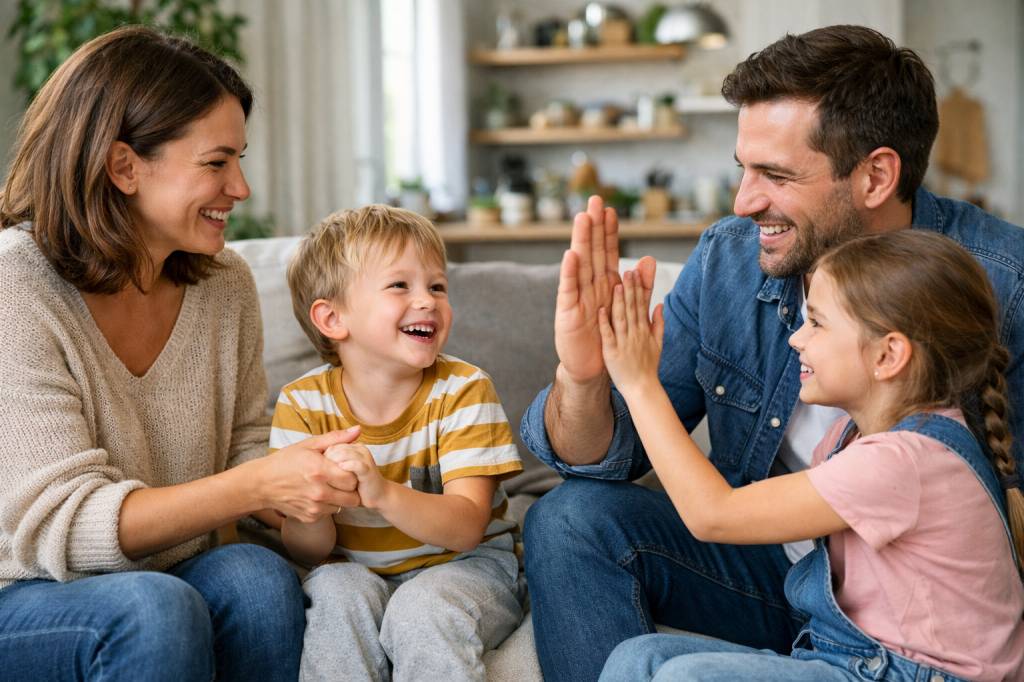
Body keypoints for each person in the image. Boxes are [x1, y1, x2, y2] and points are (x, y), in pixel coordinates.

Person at [520, 25, 1024, 681]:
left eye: (776, 174)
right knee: (569, 518)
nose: (743, 201)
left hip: (906, 619)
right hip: (770, 567)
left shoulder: (1004, 283)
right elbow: (614, 460)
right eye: (744, 170)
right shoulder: (730, 257)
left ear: (876, 175)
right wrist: (585, 375)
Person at [0, 26, 364, 681]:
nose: (242, 189)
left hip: (156, 577)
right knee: (153, 609)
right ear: (124, 166)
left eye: (240, 160)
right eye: (217, 162)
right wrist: (254, 483)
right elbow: (68, 523)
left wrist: (309, 478)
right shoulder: (17, 283)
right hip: (24, 593)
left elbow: (247, 443)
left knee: (254, 575)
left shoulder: (223, 284)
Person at [595, 230, 1023, 680]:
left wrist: (639, 383)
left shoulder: (905, 461)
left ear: (888, 354)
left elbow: (713, 514)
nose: (797, 339)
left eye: (816, 323)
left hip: (917, 674)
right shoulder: (848, 435)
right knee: (640, 658)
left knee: (684, 678)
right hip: (852, 659)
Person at [265, 205, 526, 681]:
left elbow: (467, 526)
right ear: (332, 318)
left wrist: (381, 493)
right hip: (355, 568)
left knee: (422, 609)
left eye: (437, 286)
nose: (427, 301)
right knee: (337, 592)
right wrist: (315, 507)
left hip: (465, 565)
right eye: (400, 285)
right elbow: (308, 551)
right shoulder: (301, 404)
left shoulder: (464, 390)